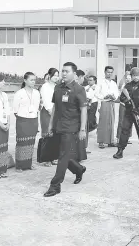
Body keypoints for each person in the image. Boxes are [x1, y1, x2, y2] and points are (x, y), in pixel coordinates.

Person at [43, 62, 87, 197]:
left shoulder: (79, 89)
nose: (63, 73)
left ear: (74, 73)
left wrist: (82, 129)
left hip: (71, 127)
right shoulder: (58, 87)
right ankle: (78, 169)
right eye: (62, 71)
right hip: (57, 126)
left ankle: (55, 185)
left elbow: (83, 109)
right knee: (61, 154)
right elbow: (55, 107)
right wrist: (50, 125)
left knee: (63, 156)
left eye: (67, 71)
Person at [113, 67, 139, 159]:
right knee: (125, 130)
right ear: (131, 76)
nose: (135, 77)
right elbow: (122, 97)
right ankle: (120, 150)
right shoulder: (128, 86)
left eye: (137, 75)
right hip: (129, 112)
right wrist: (128, 101)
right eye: (134, 75)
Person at [12, 72, 41, 172]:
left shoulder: (37, 93)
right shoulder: (19, 93)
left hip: (33, 119)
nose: (33, 82)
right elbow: (15, 110)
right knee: (22, 142)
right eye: (31, 80)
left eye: (34, 80)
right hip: (23, 120)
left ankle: (28, 164)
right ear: (25, 80)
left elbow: (37, 107)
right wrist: (23, 117)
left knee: (31, 142)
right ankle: (19, 165)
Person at [39, 68, 60, 166]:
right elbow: (46, 100)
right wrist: (51, 111)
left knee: (55, 135)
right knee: (47, 134)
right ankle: (46, 158)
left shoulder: (57, 86)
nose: (56, 77)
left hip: (56, 113)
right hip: (47, 112)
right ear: (49, 75)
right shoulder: (45, 86)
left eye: (57, 75)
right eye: (54, 75)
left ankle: (54, 157)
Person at [95, 66, 119, 149]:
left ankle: (110, 141)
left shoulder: (113, 83)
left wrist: (114, 96)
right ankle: (101, 141)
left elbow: (116, 93)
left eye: (111, 72)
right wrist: (104, 96)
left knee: (111, 122)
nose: (110, 73)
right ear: (105, 72)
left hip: (112, 103)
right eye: (108, 72)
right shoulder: (101, 82)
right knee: (103, 122)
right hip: (104, 103)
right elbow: (96, 93)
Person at [116, 74, 132, 143]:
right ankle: (119, 138)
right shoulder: (123, 87)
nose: (128, 79)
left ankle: (126, 137)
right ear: (124, 79)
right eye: (127, 78)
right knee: (121, 122)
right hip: (123, 105)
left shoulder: (133, 87)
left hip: (130, 106)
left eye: (129, 78)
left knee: (129, 122)